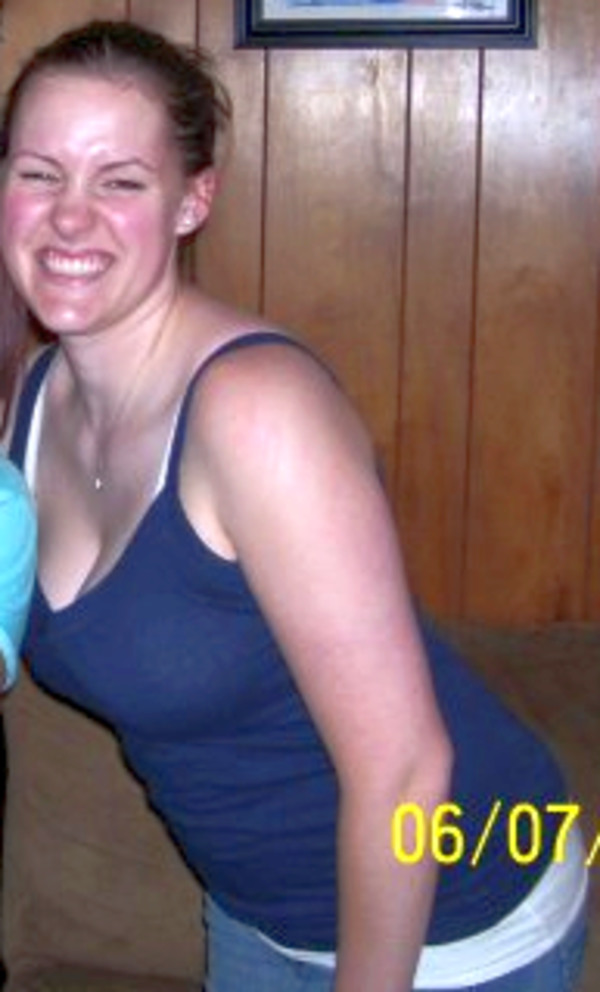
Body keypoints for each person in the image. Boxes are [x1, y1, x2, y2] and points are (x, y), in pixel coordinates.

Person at [0, 19, 588, 992]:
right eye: (38, 173)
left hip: (454, 920)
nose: (70, 217)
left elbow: (405, 767)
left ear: (193, 200)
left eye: (121, 181)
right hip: (255, 911)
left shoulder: (257, 414)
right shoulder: (34, 400)